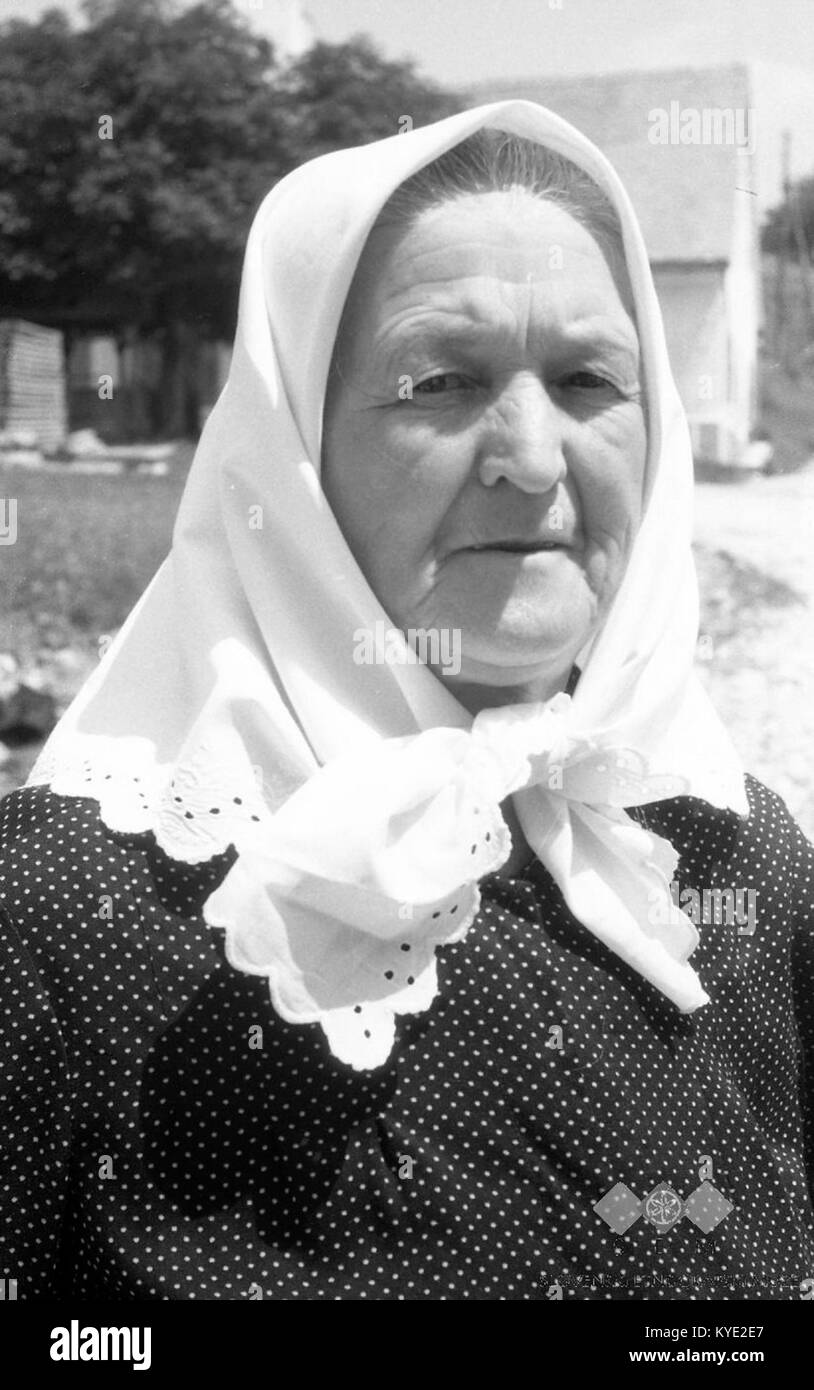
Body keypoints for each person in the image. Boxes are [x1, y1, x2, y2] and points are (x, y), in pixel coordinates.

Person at [1, 99, 813, 1302]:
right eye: (440, 380)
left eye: (590, 379)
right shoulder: (65, 925)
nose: (532, 456)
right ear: (290, 452)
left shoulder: (729, 848)